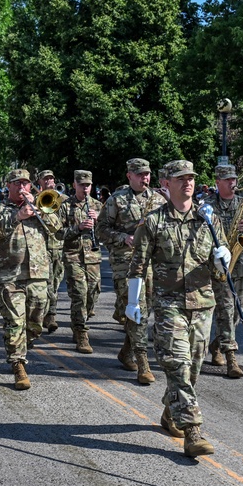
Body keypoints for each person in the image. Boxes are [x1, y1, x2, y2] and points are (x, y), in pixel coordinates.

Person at [127, 160, 230, 458]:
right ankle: (193, 431)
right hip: (168, 304)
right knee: (178, 365)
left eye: (191, 178)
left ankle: (171, 411)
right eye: (181, 178)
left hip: (202, 305)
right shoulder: (153, 221)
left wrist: (223, 258)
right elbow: (138, 265)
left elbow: (220, 274)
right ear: (167, 182)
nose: (188, 183)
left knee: (192, 370)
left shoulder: (208, 220)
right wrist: (134, 302)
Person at [0, 169, 63, 389]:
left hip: (38, 274)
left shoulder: (41, 206)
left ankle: (20, 345)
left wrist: (41, 211)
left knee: (36, 322)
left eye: (26, 184)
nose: (22, 187)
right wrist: (18, 216)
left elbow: (57, 228)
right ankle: (18, 364)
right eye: (17, 183)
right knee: (15, 322)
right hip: (9, 276)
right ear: (8, 186)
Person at [95, 158, 167, 385]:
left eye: (147, 174)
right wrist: (122, 237)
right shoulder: (117, 200)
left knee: (145, 311)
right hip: (125, 263)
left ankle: (126, 351)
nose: (144, 178)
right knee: (137, 308)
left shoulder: (159, 199)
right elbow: (101, 230)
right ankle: (142, 363)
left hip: (152, 263)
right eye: (140, 174)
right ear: (129, 176)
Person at [201, 165, 243, 376]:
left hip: (242, 266)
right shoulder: (208, 206)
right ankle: (231, 358)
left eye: (234, 179)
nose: (232, 182)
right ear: (218, 182)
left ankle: (217, 345)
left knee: (238, 309)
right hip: (219, 267)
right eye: (227, 179)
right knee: (226, 311)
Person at [60, 170, 103, 354]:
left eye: (88, 185)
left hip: (92, 255)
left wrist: (98, 221)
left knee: (93, 292)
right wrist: (78, 228)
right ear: (74, 185)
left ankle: (78, 322)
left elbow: (106, 232)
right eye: (82, 185)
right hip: (73, 255)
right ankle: (81, 333)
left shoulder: (98, 206)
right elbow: (58, 233)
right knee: (79, 293)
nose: (85, 188)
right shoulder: (65, 206)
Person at [35, 170, 65, 334]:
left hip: (58, 247)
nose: (48, 181)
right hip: (40, 248)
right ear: (39, 181)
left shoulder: (64, 200)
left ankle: (49, 315)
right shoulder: (34, 199)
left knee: (55, 284)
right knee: (44, 285)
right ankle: (46, 316)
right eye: (45, 179)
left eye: (51, 178)